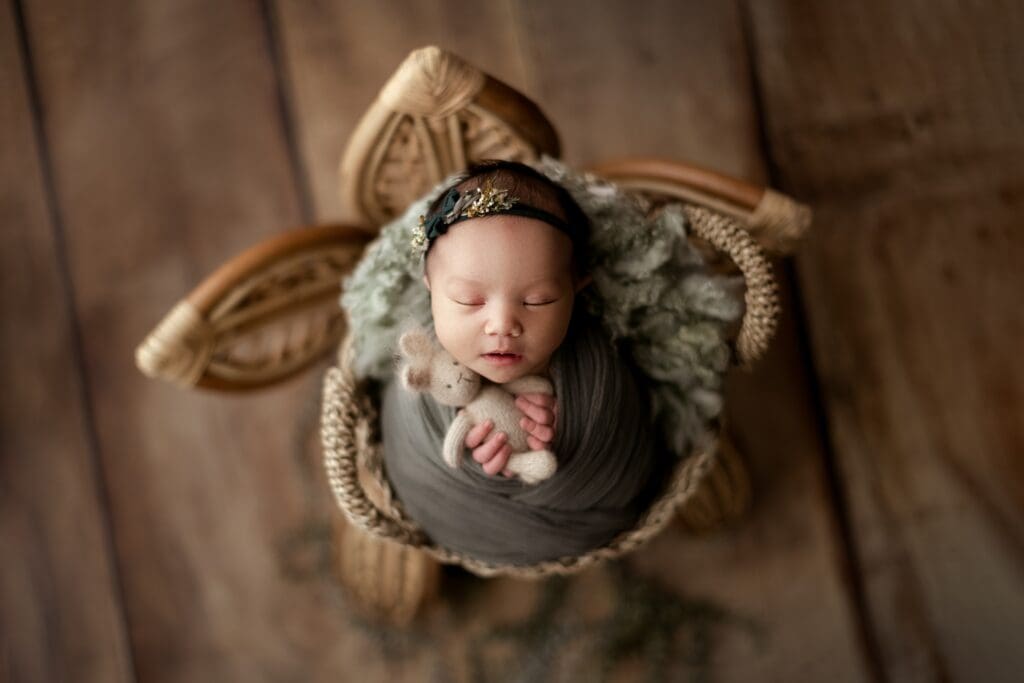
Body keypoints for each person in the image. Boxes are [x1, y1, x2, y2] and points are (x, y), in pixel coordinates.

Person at [417, 159, 592, 478]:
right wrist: (473, 461)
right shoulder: (424, 370)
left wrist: (570, 426)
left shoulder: (593, 370)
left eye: (537, 301)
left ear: (577, 288)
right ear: (430, 288)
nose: (502, 325)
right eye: (468, 300)